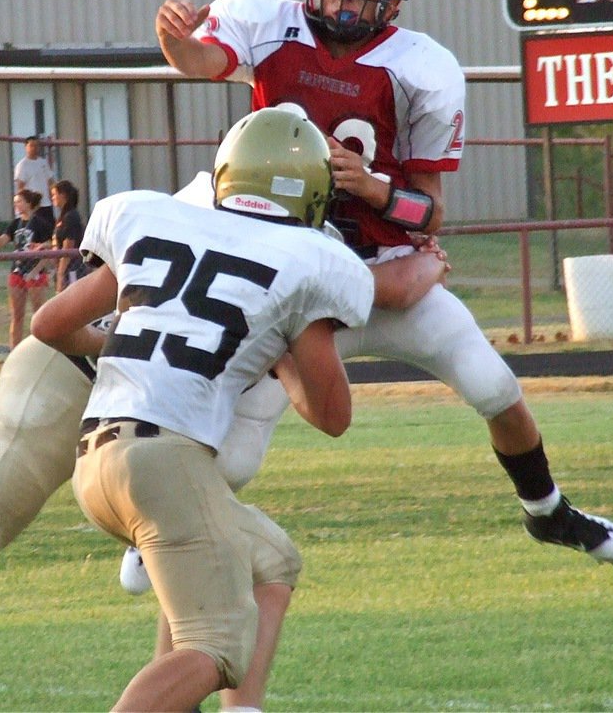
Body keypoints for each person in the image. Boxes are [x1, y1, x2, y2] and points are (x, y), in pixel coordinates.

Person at [0, 111, 430, 713]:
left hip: (131, 404)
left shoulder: (188, 204)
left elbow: (63, 313)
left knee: (261, 560)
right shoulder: (300, 253)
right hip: (88, 380)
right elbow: (376, 304)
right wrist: (127, 351)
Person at [155, 0, 613, 562]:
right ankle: (169, 527)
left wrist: (373, 186)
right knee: (240, 447)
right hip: (296, 285)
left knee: (496, 389)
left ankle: (547, 511)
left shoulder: (421, 67)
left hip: (388, 271)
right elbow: (201, 61)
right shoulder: (263, 24)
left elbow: (431, 212)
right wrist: (175, 43)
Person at [31, 107, 374, 710]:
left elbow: (50, 323)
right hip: (167, 459)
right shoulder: (304, 261)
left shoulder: (159, 220)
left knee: (273, 560)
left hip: (96, 457)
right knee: (214, 647)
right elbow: (334, 416)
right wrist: (278, 353)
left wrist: (130, 343)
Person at [0, 189, 53, 349]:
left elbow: (51, 248)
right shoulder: (15, 224)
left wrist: (36, 270)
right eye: (15, 203)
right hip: (17, 271)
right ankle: (14, 350)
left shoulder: (40, 223)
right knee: (17, 315)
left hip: (36, 272)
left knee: (38, 314)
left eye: (20, 201)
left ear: (28, 203)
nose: (17, 205)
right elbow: (0, 243)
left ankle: (40, 348)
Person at [49, 179, 87, 292]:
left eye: (54, 194)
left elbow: (68, 246)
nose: (53, 198)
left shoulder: (71, 216)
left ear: (63, 195)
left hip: (72, 268)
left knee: (74, 299)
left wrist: (61, 273)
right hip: (64, 268)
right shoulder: (63, 216)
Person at [13, 135, 55, 227]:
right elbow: (20, 187)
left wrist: (52, 196)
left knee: (49, 229)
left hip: (46, 204)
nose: (34, 148)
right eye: (31, 146)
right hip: (33, 206)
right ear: (26, 147)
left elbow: (50, 181)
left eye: (36, 146)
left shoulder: (43, 162)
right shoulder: (22, 165)